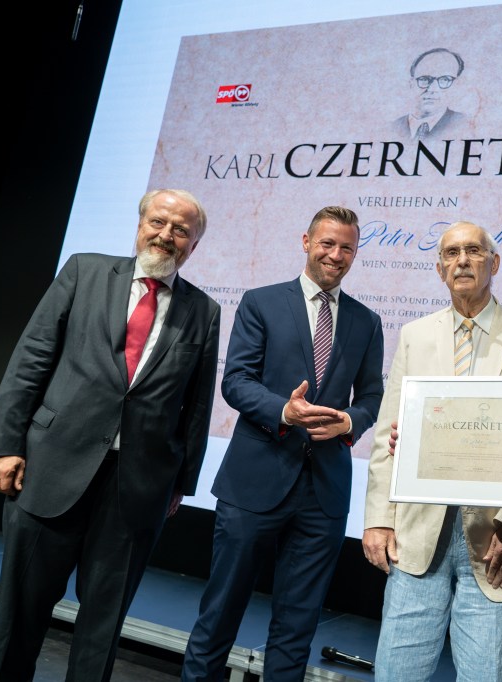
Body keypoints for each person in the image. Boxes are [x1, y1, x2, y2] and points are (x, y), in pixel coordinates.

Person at [0, 188, 221, 681]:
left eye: (180, 230)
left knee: (102, 629)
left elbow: (196, 406)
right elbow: (31, 358)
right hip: (50, 468)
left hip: (136, 489)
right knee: (19, 616)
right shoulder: (83, 271)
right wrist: (3, 445)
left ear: (193, 245)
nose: (166, 235)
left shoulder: (205, 310)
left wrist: (180, 483)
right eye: (158, 222)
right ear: (140, 224)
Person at [182, 206, 385, 682]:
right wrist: (284, 411)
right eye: (327, 243)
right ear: (306, 242)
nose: (336, 255)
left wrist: (348, 422)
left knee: (298, 625)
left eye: (347, 247)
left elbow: (372, 397)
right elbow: (236, 381)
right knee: (220, 611)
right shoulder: (261, 302)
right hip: (254, 481)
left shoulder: (367, 320)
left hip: (324, 492)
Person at [363, 221, 502, 681]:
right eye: (451, 253)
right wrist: (378, 516)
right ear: (440, 269)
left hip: (497, 540)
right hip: (417, 533)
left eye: (474, 251)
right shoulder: (415, 336)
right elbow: (387, 432)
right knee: (397, 672)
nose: (462, 261)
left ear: (494, 263)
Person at [391, 47, 470, 141]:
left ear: (457, 85)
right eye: (424, 79)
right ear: (411, 84)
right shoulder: (392, 128)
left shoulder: (468, 125)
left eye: (445, 79)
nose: (432, 89)